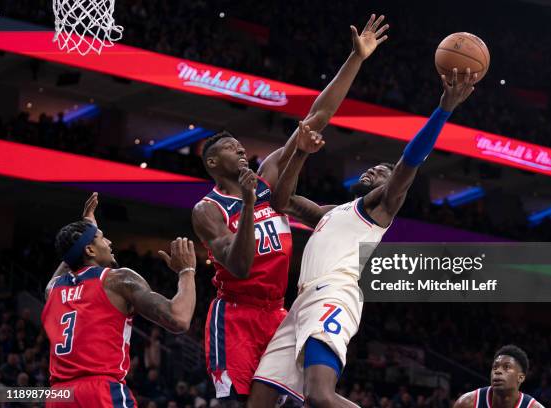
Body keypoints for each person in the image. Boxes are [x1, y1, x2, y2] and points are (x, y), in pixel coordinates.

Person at [248, 67, 478, 407]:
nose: (374, 170)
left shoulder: (383, 208)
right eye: (373, 168)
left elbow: (409, 161)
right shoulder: (333, 212)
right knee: (260, 400)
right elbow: (282, 201)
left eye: (383, 171)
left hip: (334, 293)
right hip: (299, 303)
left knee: (320, 396)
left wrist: (444, 109)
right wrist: (300, 153)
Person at [191, 14, 389, 404]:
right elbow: (242, 265)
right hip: (237, 316)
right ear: (212, 163)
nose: (239, 149)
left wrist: (356, 59)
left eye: (239, 145)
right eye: (229, 148)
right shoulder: (208, 209)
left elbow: (316, 116)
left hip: (279, 311)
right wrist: (249, 204)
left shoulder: (267, 178)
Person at [43, 192, 197, 408]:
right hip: (100, 392)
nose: (109, 241)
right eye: (101, 237)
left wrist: (87, 228)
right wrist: (186, 271)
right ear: (89, 249)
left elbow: (69, 261)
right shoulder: (118, 280)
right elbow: (179, 319)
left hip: (59, 396)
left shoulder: (53, 289)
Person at [454, 345, 545, 408]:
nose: (498, 371)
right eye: (495, 367)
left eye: (506, 367)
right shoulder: (467, 403)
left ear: (521, 377)